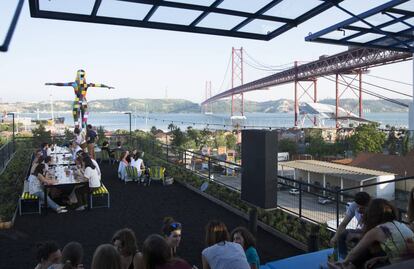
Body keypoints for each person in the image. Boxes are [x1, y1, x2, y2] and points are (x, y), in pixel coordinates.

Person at [333, 199, 414, 268]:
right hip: (410, 263)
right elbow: (400, 250)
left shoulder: (377, 231)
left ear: (372, 214)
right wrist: (382, 258)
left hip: (400, 266)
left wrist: (343, 263)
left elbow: (355, 253)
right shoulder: (400, 224)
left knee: (366, 260)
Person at [330, 192, 371, 259]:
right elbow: (343, 224)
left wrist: (357, 235)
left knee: (357, 248)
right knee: (341, 234)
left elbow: (374, 231)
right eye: (358, 206)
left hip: (373, 233)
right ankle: (343, 258)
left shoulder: (374, 208)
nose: (359, 209)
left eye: (363, 207)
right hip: (362, 231)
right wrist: (335, 237)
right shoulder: (354, 205)